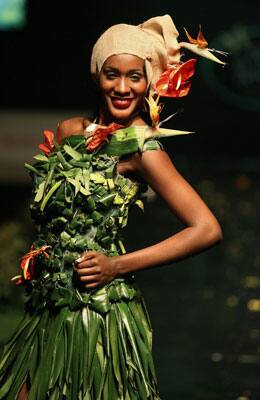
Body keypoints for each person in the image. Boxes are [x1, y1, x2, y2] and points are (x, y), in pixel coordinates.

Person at [0, 15, 224, 400]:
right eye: (112, 74)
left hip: (97, 315)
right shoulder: (68, 131)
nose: (122, 87)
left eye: (134, 77)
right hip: (46, 309)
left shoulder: (142, 148)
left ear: (147, 82)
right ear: (97, 76)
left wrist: (117, 265)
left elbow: (206, 228)